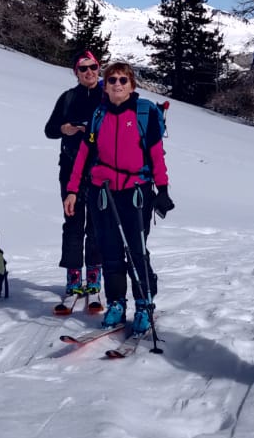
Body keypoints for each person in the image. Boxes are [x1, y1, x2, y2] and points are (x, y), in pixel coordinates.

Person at [64, 62, 174, 335]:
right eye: (112, 79)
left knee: (136, 249)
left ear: (132, 85)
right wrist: (73, 189)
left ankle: (144, 303)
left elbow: (157, 155)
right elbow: (83, 156)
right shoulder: (99, 114)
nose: (117, 84)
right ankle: (115, 303)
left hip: (136, 191)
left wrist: (163, 189)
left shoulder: (144, 113)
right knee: (110, 250)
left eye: (123, 80)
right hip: (102, 192)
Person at [43, 50, 104, 298]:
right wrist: (64, 129)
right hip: (70, 170)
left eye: (93, 67)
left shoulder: (108, 95)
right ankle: (73, 274)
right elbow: (49, 130)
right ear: (76, 73)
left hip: (102, 169)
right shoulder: (68, 98)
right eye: (83, 68)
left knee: (98, 224)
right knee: (73, 222)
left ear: (99, 68)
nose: (88, 72)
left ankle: (94, 271)